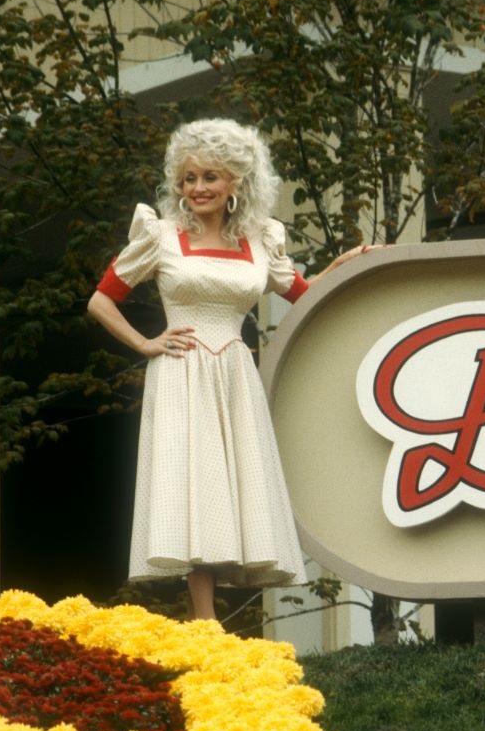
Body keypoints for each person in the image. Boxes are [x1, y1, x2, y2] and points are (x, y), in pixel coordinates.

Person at [88, 118, 376, 621]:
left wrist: (343, 265)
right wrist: (147, 343)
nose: (197, 188)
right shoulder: (161, 236)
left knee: (232, 483)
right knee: (193, 483)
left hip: (234, 375)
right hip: (181, 371)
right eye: (189, 178)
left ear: (235, 184)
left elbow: (302, 295)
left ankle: (221, 617)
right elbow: (101, 301)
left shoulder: (261, 239)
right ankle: (204, 618)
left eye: (209, 177)